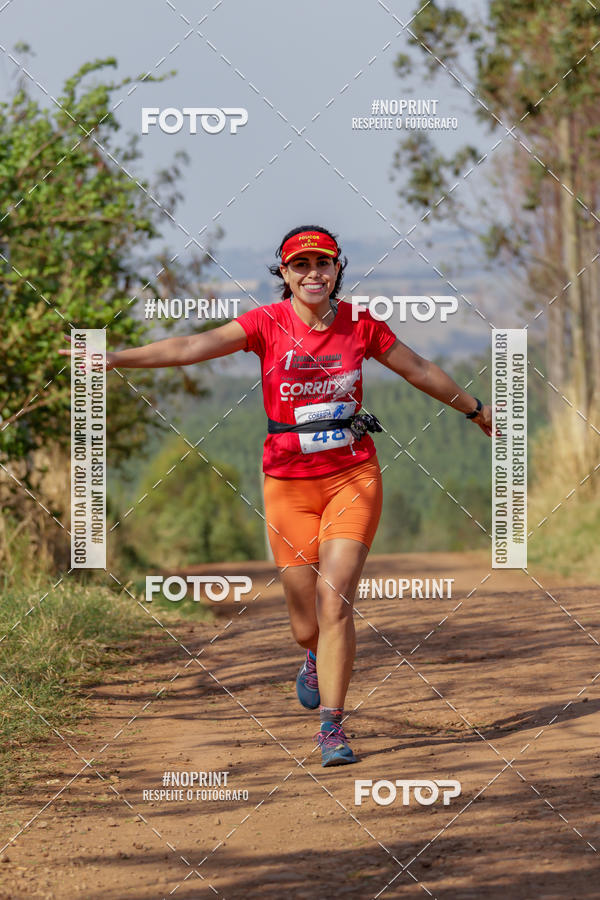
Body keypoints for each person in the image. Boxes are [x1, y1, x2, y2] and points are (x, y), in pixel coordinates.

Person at [60, 224, 492, 767]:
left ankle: (331, 728)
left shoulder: (361, 325)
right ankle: (311, 654)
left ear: (337, 270)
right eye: (300, 265)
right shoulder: (266, 324)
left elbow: (419, 368)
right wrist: (115, 359)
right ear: (283, 274)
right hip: (287, 483)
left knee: (335, 603)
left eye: (323, 264)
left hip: (352, 476)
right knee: (303, 621)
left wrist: (474, 409)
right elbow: (193, 346)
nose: (313, 273)